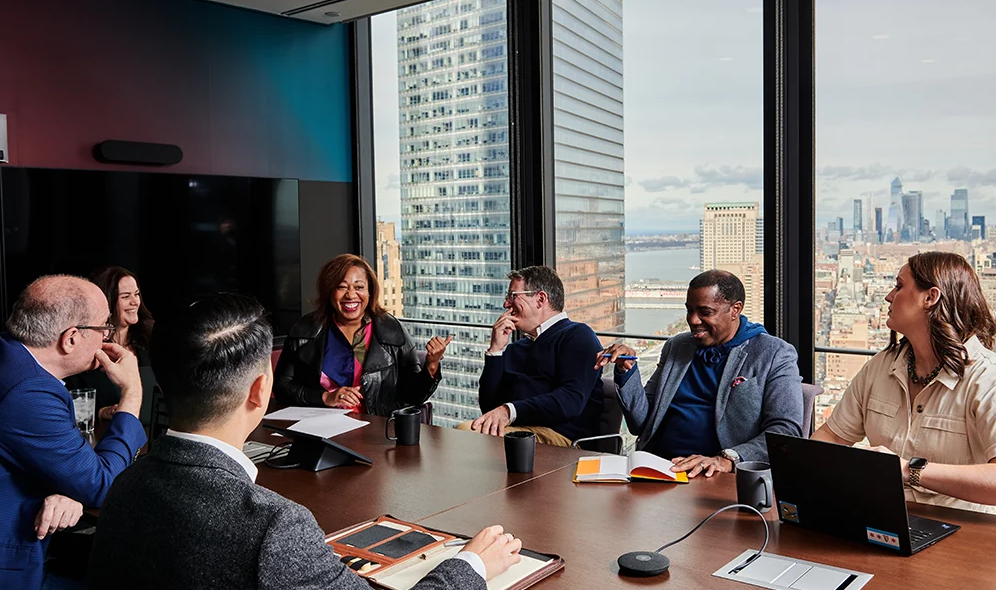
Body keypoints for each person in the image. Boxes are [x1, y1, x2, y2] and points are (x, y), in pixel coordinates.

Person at [89, 293, 523, 590]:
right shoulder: (272, 527)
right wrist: (471, 565)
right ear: (262, 390)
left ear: (163, 387)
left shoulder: (125, 481)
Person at [0, 275, 146, 590]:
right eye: (104, 328)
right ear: (72, 337)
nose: (109, 337)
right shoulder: (29, 392)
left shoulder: (8, 357)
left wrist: (68, 489)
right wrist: (132, 393)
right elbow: (101, 484)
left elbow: (57, 462)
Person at [812, 252, 996, 514]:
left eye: (899, 286)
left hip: (962, 533)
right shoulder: (882, 366)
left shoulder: (987, 378)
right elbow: (833, 436)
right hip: (882, 516)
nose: (888, 296)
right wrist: (802, 469)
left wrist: (907, 470)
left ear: (930, 298)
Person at [598, 270, 803, 477]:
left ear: (735, 309)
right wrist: (627, 371)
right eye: (689, 311)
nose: (693, 320)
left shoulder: (773, 354)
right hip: (657, 466)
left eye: (705, 312)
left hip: (717, 474)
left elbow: (785, 431)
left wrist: (727, 459)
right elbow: (641, 423)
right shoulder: (677, 346)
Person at [274, 254, 451, 416]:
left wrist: (432, 364)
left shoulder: (391, 329)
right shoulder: (306, 330)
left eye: (359, 287)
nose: (351, 295)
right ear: (329, 291)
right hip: (318, 428)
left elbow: (413, 397)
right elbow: (282, 388)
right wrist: (325, 397)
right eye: (342, 287)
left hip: (376, 432)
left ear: (370, 292)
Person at [461, 266, 604, 447]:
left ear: (540, 299)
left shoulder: (578, 336)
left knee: (467, 435)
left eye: (513, 296)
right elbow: (490, 409)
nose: (506, 304)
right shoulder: (515, 349)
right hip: (519, 433)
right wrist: (495, 350)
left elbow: (570, 401)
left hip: (564, 441)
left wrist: (509, 410)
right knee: (469, 435)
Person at [66, 266, 154, 424]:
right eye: (126, 296)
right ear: (106, 302)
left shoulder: (151, 340)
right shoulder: (84, 350)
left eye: (137, 294)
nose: (135, 302)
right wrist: (100, 412)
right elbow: (71, 405)